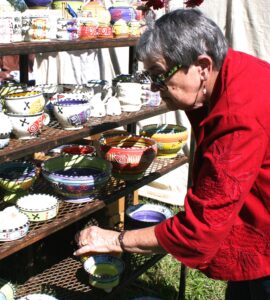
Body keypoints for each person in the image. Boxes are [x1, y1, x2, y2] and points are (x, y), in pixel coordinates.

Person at [73, 9, 270, 300]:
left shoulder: (237, 117)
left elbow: (200, 231)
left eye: (159, 75)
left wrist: (115, 239)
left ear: (202, 65)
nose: (154, 87)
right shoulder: (231, 69)